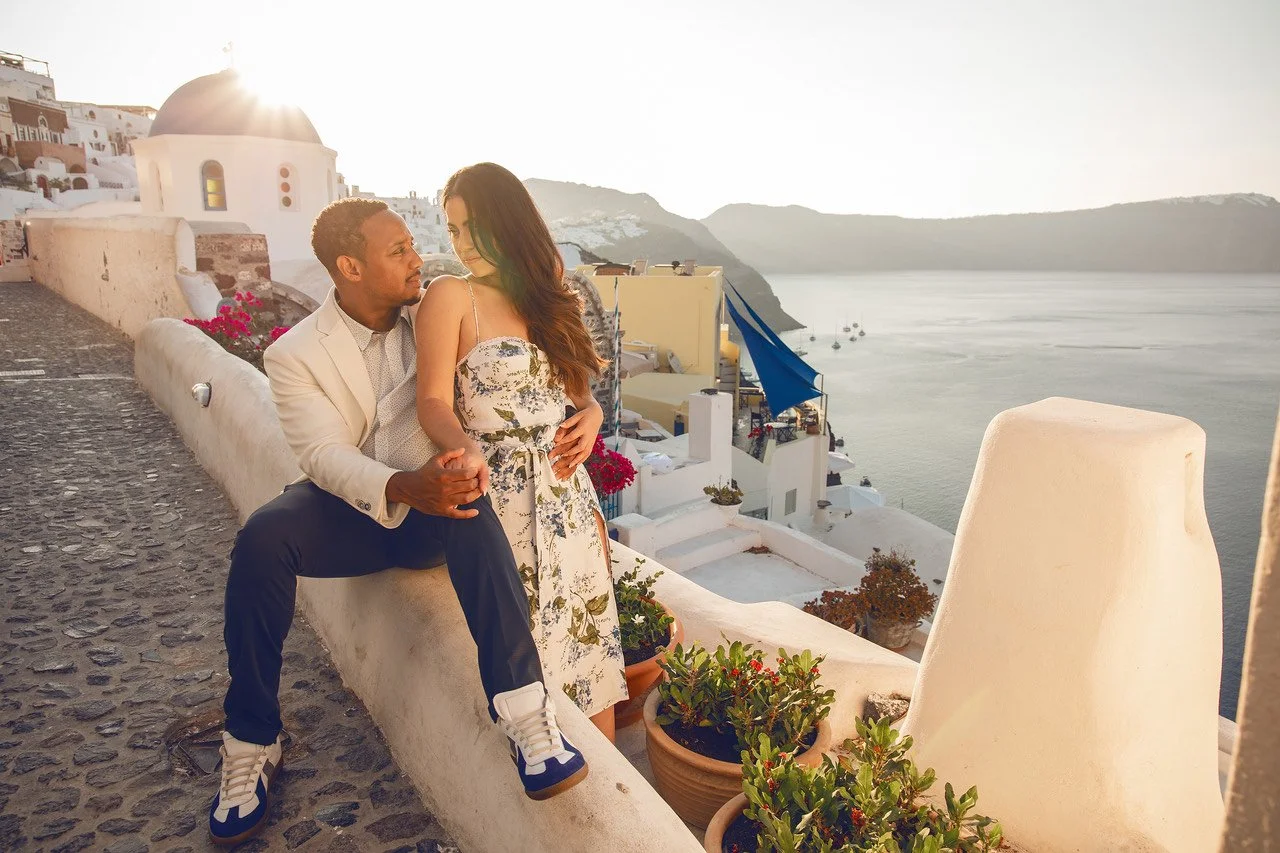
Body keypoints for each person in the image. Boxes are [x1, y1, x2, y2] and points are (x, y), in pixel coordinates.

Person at [209, 198, 588, 847]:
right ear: (350, 266)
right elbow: (323, 456)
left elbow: (539, 354)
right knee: (263, 536)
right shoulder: (293, 353)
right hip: (353, 507)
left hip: (441, 507)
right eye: (398, 251)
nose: (419, 258)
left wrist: (591, 411)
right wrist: (400, 485)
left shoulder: (438, 310)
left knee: (464, 493)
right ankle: (251, 741)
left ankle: (526, 717)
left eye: (415, 244)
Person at [414, 162, 628, 743]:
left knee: (590, 660)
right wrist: (463, 448)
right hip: (499, 499)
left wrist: (594, 415)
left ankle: (604, 818)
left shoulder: (545, 300)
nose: (463, 244)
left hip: (567, 502)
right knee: (527, 660)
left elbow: (577, 391)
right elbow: (432, 401)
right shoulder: (451, 296)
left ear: (508, 223)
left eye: (474, 226)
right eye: (454, 230)